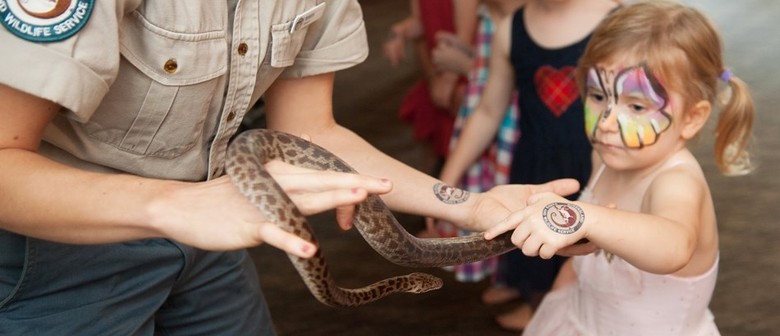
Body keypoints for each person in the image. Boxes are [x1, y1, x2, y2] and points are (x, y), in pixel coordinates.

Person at [0, 2, 580, 335]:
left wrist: (473, 206)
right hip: (60, 248)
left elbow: (310, 133)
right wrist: (177, 206)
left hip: (219, 234)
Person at [486, 1, 755, 334]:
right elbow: (582, 263)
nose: (607, 122)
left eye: (638, 105)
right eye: (598, 96)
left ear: (692, 118)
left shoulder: (676, 180)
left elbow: (672, 245)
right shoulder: (605, 158)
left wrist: (586, 217)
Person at [438, 0, 619, 330]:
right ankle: (541, 308)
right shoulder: (511, 29)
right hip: (534, 169)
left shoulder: (613, 22)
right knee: (536, 253)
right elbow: (489, 111)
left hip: (597, 167)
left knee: (592, 261)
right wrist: (447, 179)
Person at [424, 0, 525, 284]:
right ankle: (508, 278)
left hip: (514, 131)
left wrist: (463, 66)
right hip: (486, 119)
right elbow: (487, 108)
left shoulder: (516, 19)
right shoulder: (495, 16)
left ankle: (519, 283)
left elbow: (516, 79)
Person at [383, 0, 479, 176]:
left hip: (463, 76)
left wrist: (447, 82)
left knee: (463, 157)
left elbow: (463, 39)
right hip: (438, 73)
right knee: (435, 156)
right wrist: (400, 31)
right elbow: (421, 23)